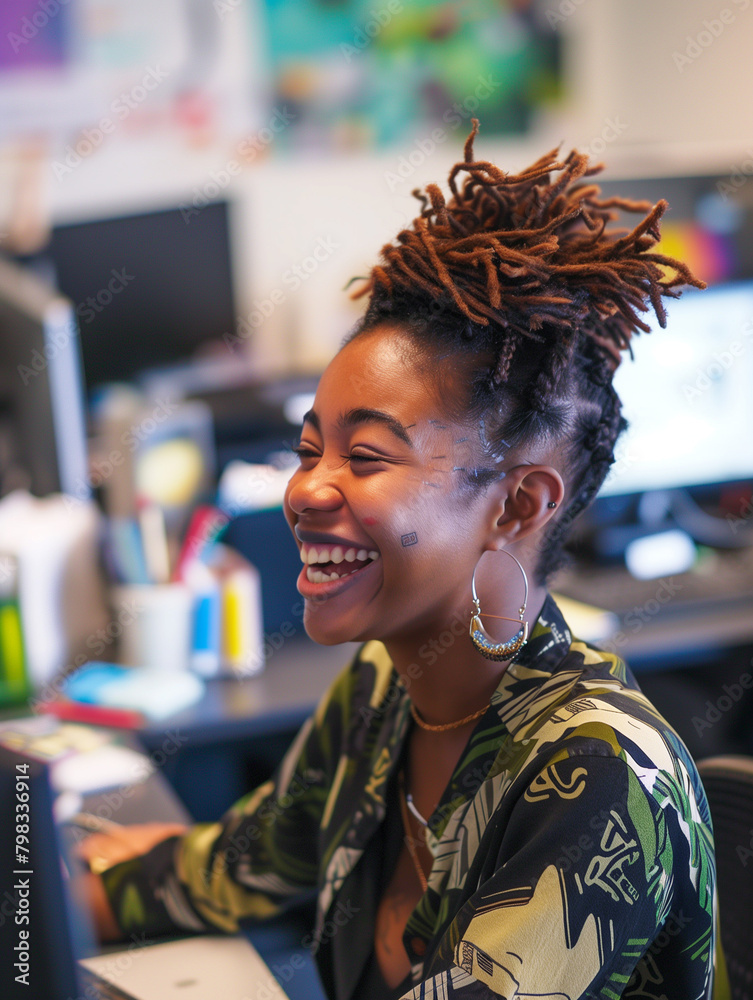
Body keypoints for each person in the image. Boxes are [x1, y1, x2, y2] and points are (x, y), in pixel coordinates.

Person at [79, 121, 724, 999]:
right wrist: (67, 893)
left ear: (516, 505)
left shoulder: (601, 777)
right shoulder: (387, 693)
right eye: (310, 450)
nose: (306, 490)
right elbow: (246, 863)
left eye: (367, 457)